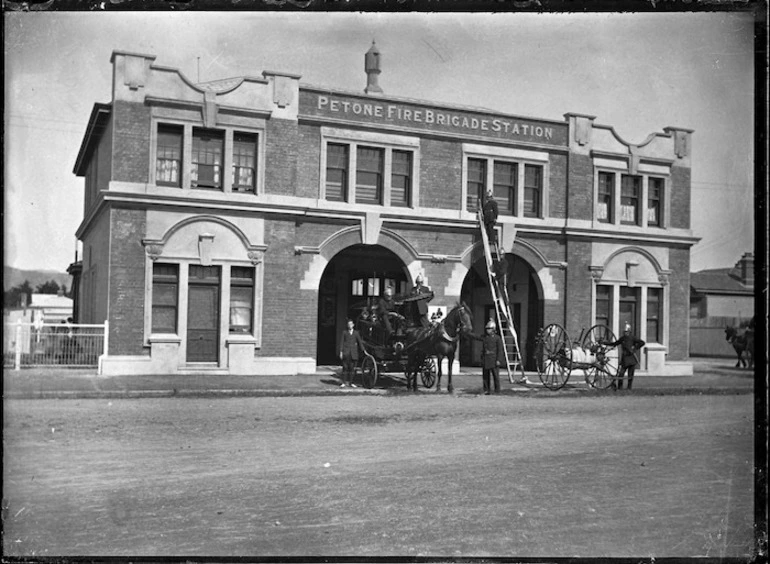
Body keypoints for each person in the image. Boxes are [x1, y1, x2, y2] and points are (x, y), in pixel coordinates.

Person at [605, 325, 645, 390]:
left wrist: (635, 347)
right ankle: (620, 388)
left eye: (627, 332)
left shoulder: (633, 338)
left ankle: (629, 388)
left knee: (630, 375)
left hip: (631, 359)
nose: (625, 333)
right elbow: (615, 343)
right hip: (625, 359)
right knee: (621, 374)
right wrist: (605, 343)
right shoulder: (622, 338)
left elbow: (642, 343)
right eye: (625, 332)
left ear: (629, 332)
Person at [471, 319, 506, 394]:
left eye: (489, 329)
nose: (487, 330)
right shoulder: (485, 337)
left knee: (496, 376)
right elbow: (476, 337)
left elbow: (500, 350)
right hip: (486, 359)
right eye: (487, 329)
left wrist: (499, 360)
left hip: (494, 359)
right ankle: (486, 390)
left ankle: (497, 390)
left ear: (493, 329)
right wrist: (468, 333)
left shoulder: (497, 338)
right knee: (485, 377)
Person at [338, 319, 365, 388]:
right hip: (346, 352)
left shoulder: (356, 333)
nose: (350, 326)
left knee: (352, 368)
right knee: (345, 368)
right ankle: (343, 382)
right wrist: (341, 352)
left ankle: (351, 382)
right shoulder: (344, 332)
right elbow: (341, 342)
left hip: (353, 353)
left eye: (351, 324)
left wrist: (363, 350)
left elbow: (360, 342)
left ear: (353, 325)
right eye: (348, 324)